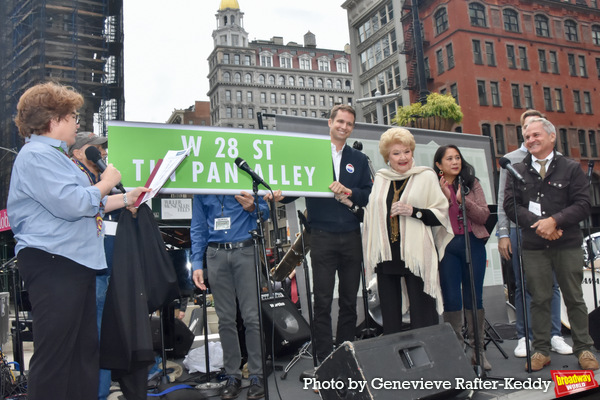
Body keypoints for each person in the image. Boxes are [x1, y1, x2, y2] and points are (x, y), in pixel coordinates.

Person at [6, 82, 148, 400]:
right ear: (53, 120)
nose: (77, 122)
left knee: (82, 355)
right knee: (57, 356)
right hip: (55, 262)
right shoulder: (36, 157)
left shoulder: (56, 158)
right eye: (72, 115)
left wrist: (126, 197)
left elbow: (87, 202)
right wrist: (107, 182)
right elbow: (74, 204)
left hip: (75, 263)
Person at [268, 104, 372, 363]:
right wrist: (279, 196)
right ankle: (323, 361)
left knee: (349, 301)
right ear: (330, 123)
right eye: (340, 122)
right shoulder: (312, 154)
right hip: (321, 236)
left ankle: (345, 358)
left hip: (351, 236)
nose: (344, 127)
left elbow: (368, 195)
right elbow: (294, 188)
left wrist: (348, 192)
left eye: (349, 124)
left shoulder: (359, 160)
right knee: (322, 302)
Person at [504, 118, 599, 371]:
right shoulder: (517, 170)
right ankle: (541, 351)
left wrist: (555, 221)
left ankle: (584, 348)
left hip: (567, 243)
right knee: (539, 298)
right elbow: (511, 206)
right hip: (534, 246)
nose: (531, 140)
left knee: (574, 297)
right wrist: (541, 225)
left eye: (536, 135)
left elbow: (582, 204)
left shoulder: (570, 168)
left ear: (551, 137)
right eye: (527, 137)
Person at [362, 128, 453, 335]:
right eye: (396, 153)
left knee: (424, 317)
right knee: (390, 321)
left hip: (417, 257)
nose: (402, 157)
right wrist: (350, 202)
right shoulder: (381, 179)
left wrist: (414, 211)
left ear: (412, 152)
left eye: (406, 151)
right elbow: (370, 215)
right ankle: (396, 363)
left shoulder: (426, 176)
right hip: (386, 257)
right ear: (387, 157)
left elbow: (440, 213)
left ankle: (429, 361)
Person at [496, 110, 572, 358]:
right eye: (526, 128)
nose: (531, 133)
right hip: (520, 231)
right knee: (522, 285)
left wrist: (557, 225)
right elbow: (503, 201)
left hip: (553, 230)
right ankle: (524, 336)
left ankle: (554, 335)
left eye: (535, 127)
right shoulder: (511, 159)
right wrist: (503, 233)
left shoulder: (559, 160)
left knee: (553, 284)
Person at [190, 191, 269, 400]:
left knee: (252, 318)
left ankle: (257, 376)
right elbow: (198, 227)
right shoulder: (202, 188)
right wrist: (197, 263)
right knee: (225, 320)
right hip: (216, 254)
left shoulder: (242, 178)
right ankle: (232, 375)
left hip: (245, 251)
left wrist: (253, 208)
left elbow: (265, 213)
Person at [68, 131, 119, 400]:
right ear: (77, 152)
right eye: (95, 149)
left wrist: (127, 197)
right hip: (79, 268)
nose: (103, 153)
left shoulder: (94, 179)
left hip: (100, 264)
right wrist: (108, 183)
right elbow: (81, 205)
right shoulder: (73, 175)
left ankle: (99, 392)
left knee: (100, 334)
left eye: (102, 149)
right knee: (88, 335)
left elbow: (101, 205)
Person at [433, 145, 491, 370]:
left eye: (457, 157)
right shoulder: (433, 186)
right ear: (439, 164)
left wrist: (461, 199)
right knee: (452, 299)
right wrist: (447, 198)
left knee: (475, 297)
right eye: (449, 159)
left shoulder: (471, 183)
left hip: (473, 243)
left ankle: (478, 351)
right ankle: (456, 353)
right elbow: (433, 216)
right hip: (447, 247)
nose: (455, 162)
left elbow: (484, 214)